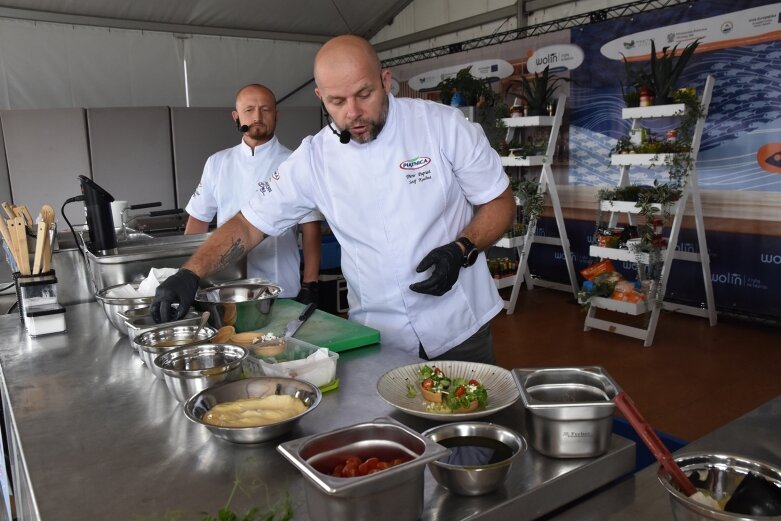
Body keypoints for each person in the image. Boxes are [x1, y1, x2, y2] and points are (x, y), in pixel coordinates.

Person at [152, 35, 515, 363]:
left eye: (364, 94)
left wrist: (463, 248)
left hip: (459, 325)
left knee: (470, 434)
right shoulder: (314, 158)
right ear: (320, 98)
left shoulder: (444, 126)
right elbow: (247, 225)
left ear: (385, 81)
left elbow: (499, 202)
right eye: (337, 101)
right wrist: (190, 272)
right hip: (378, 334)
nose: (353, 113)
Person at [183, 83, 322, 302]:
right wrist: (188, 273)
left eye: (265, 109)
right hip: (224, 289)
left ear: (277, 115)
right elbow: (198, 221)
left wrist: (310, 283)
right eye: (249, 110)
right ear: (236, 116)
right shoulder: (217, 163)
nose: (257, 116)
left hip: (281, 287)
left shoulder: (293, 162)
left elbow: (311, 230)